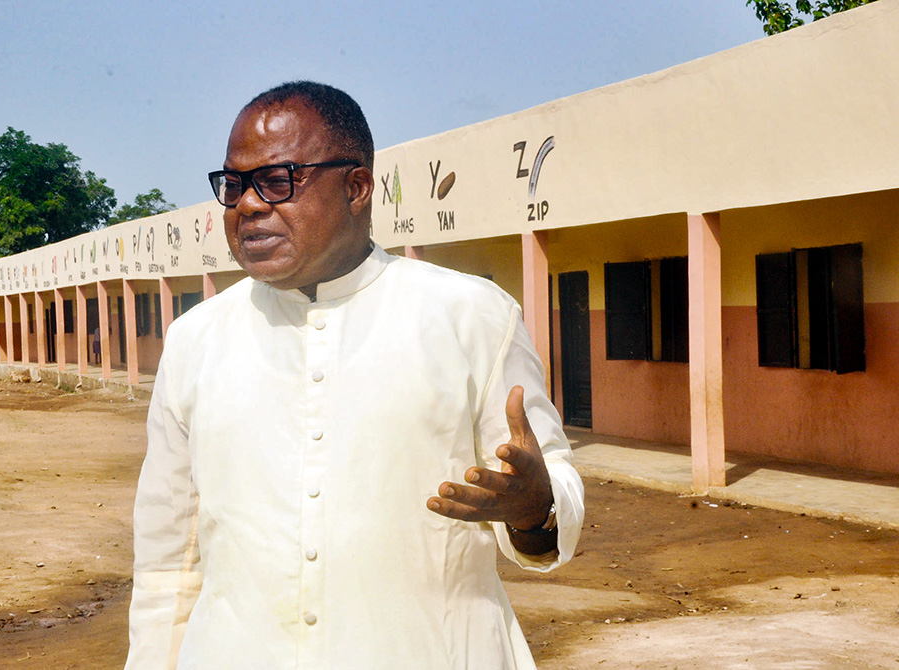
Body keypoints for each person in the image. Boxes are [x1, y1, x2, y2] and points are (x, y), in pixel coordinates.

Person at [125, 81, 584, 670]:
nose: (246, 205)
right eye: (234, 185)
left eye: (277, 180)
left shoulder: (472, 315)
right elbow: (169, 557)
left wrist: (535, 509)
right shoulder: (196, 339)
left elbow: (554, 485)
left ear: (357, 187)